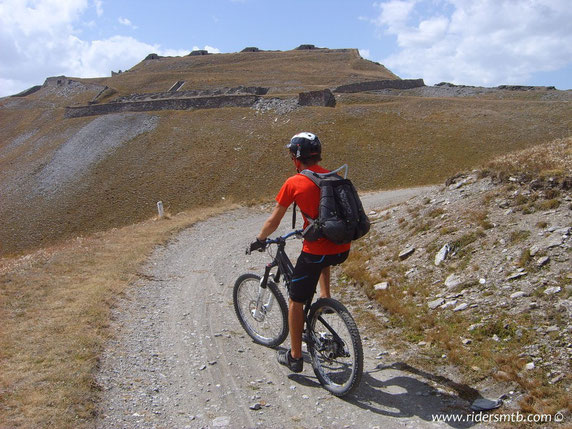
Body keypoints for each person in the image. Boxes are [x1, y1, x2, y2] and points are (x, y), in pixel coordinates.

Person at [248, 132, 351, 373]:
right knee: (323, 256)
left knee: (296, 301)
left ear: (296, 157)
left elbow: (274, 220)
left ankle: (295, 357)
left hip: (315, 251)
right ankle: (325, 300)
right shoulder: (333, 175)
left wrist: (259, 240)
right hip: (342, 247)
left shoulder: (293, 183)